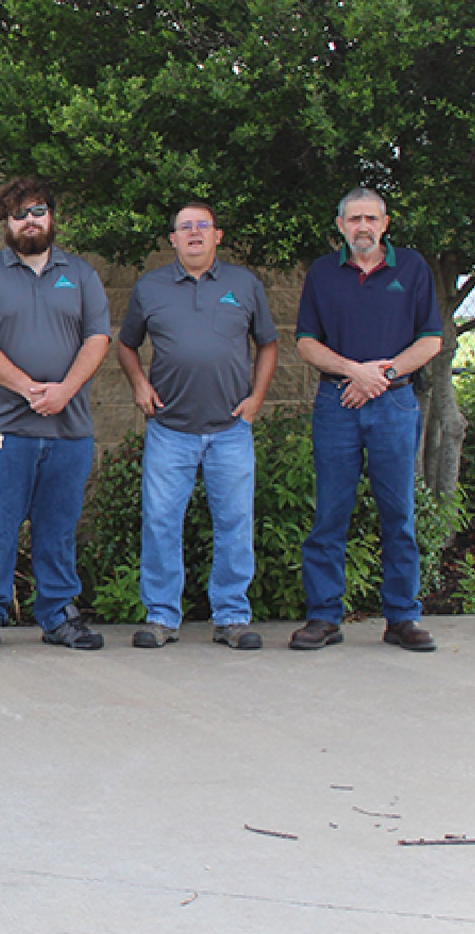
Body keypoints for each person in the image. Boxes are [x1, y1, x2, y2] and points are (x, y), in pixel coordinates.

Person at [115, 204, 279, 651]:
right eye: (184, 227)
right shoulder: (151, 288)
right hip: (170, 428)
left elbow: (268, 343)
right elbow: (126, 345)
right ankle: (162, 616)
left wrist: (257, 399)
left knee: (235, 522)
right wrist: (139, 384)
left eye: (201, 226)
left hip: (230, 429)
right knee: (162, 522)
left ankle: (231, 617)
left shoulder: (243, 285)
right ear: (172, 239)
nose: (193, 234)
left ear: (217, 236)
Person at [0, 178, 111, 652]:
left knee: (58, 527)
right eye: (19, 214)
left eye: (38, 211)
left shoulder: (81, 276)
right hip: (6, 428)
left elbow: (97, 339)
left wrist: (64, 391)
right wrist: (28, 389)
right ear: (7, 222)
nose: (30, 221)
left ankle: (59, 615)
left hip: (69, 428)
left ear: (52, 217)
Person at [290, 188, 443, 652]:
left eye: (371, 218)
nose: (363, 226)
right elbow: (306, 343)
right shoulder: (322, 272)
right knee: (330, 514)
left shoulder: (412, 268)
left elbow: (431, 339)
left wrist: (384, 374)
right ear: (340, 225)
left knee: (398, 515)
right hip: (337, 402)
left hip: (394, 404)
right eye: (354, 218)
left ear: (385, 223)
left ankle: (402, 618)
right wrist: (353, 371)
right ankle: (324, 617)